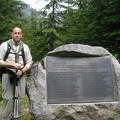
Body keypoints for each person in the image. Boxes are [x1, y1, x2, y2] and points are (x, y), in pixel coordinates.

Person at [0, 27, 33, 120]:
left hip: (20, 75)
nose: (17, 35)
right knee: (8, 98)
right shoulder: (4, 45)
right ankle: (6, 117)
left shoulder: (25, 47)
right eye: (15, 33)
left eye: (19, 33)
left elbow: (29, 62)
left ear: (21, 35)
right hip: (7, 74)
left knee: (20, 97)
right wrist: (12, 64)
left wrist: (22, 71)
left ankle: (16, 117)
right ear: (12, 34)